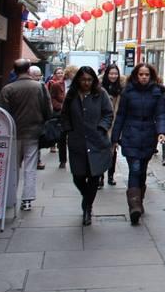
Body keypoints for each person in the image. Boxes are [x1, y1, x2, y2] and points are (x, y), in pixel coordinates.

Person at [111, 63, 165, 225]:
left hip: (148, 136)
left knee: (142, 170)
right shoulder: (128, 92)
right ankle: (134, 206)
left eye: (146, 74)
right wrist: (115, 139)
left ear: (151, 76)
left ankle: (139, 200)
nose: (143, 77)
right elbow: (120, 116)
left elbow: (160, 114)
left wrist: (161, 132)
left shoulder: (157, 93)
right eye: (141, 74)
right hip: (130, 135)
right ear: (136, 75)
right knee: (134, 169)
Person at [60, 67, 113, 226]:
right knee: (78, 176)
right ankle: (87, 197)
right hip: (77, 142)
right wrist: (68, 129)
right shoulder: (72, 94)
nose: (86, 83)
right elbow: (65, 114)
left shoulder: (101, 93)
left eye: (89, 80)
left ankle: (87, 207)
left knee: (95, 175)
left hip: (97, 140)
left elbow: (108, 113)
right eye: (83, 80)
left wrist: (102, 127)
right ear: (78, 80)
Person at [0, 59, 51, 211]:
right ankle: (27, 200)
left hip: (13, 133)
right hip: (33, 132)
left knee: (12, 167)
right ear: (29, 70)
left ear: (15, 71)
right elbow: (48, 110)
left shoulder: (7, 89)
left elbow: (2, 113)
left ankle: (9, 198)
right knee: (30, 166)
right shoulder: (39, 87)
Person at [101, 64, 125, 186]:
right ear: (107, 74)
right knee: (101, 150)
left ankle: (110, 175)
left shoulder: (120, 89)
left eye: (115, 73)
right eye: (111, 73)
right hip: (101, 123)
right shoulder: (100, 87)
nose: (113, 76)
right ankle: (100, 176)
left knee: (113, 151)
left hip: (114, 123)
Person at [46, 67, 67, 167]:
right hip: (59, 113)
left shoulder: (71, 85)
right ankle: (62, 159)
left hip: (71, 114)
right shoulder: (54, 84)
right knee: (60, 135)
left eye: (61, 73)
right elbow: (51, 98)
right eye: (58, 73)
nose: (60, 74)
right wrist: (59, 106)